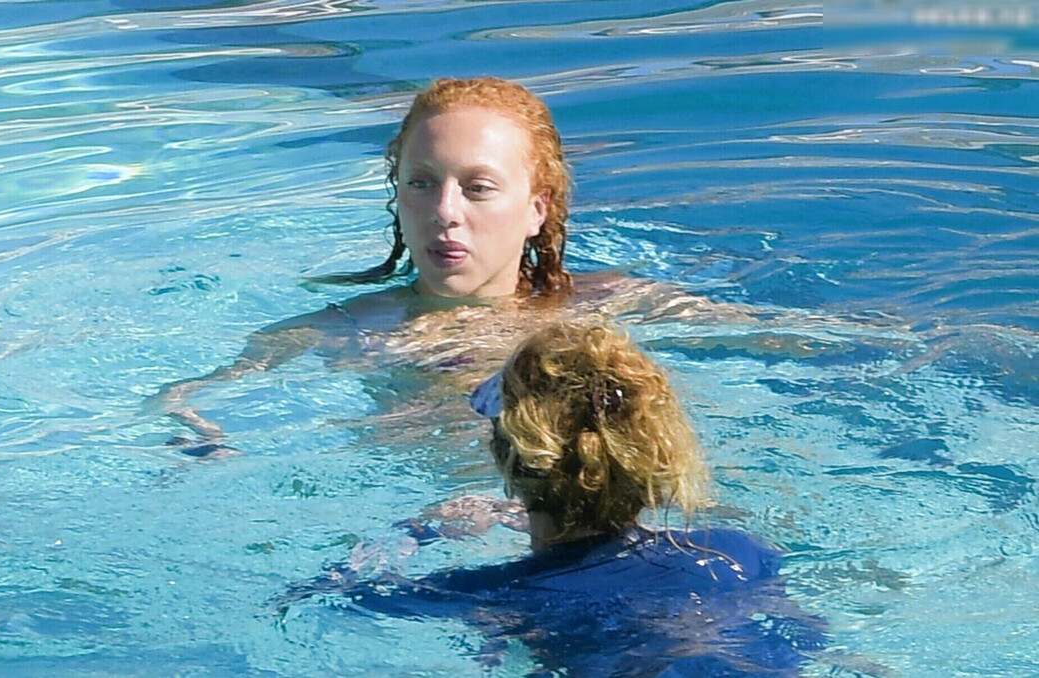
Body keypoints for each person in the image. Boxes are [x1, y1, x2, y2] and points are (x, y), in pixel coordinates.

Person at [150, 77, 718, 456]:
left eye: (478, 187)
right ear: (397, 196)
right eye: (422, 184)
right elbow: (174, 399)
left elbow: (767, 339)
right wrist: (202, 436)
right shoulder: (347, 330)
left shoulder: (614, 304)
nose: (445, 212)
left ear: (536, 209)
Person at [277, 321, 826, 676]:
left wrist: (420, 530)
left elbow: (321, 597)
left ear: (508, 461)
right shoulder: (739, 552)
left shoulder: (491, 593)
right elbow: (806, 636)